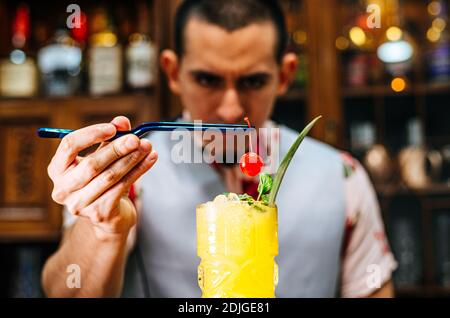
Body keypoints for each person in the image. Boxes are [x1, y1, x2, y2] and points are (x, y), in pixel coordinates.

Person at [42, 0, 397, 298]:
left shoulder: (342, 177)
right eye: (208, 80)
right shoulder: (127, 175)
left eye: (253, 81)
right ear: (173, 71)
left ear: (286, 75)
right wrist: (104, 229)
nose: (230, 109)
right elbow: (64, 290)